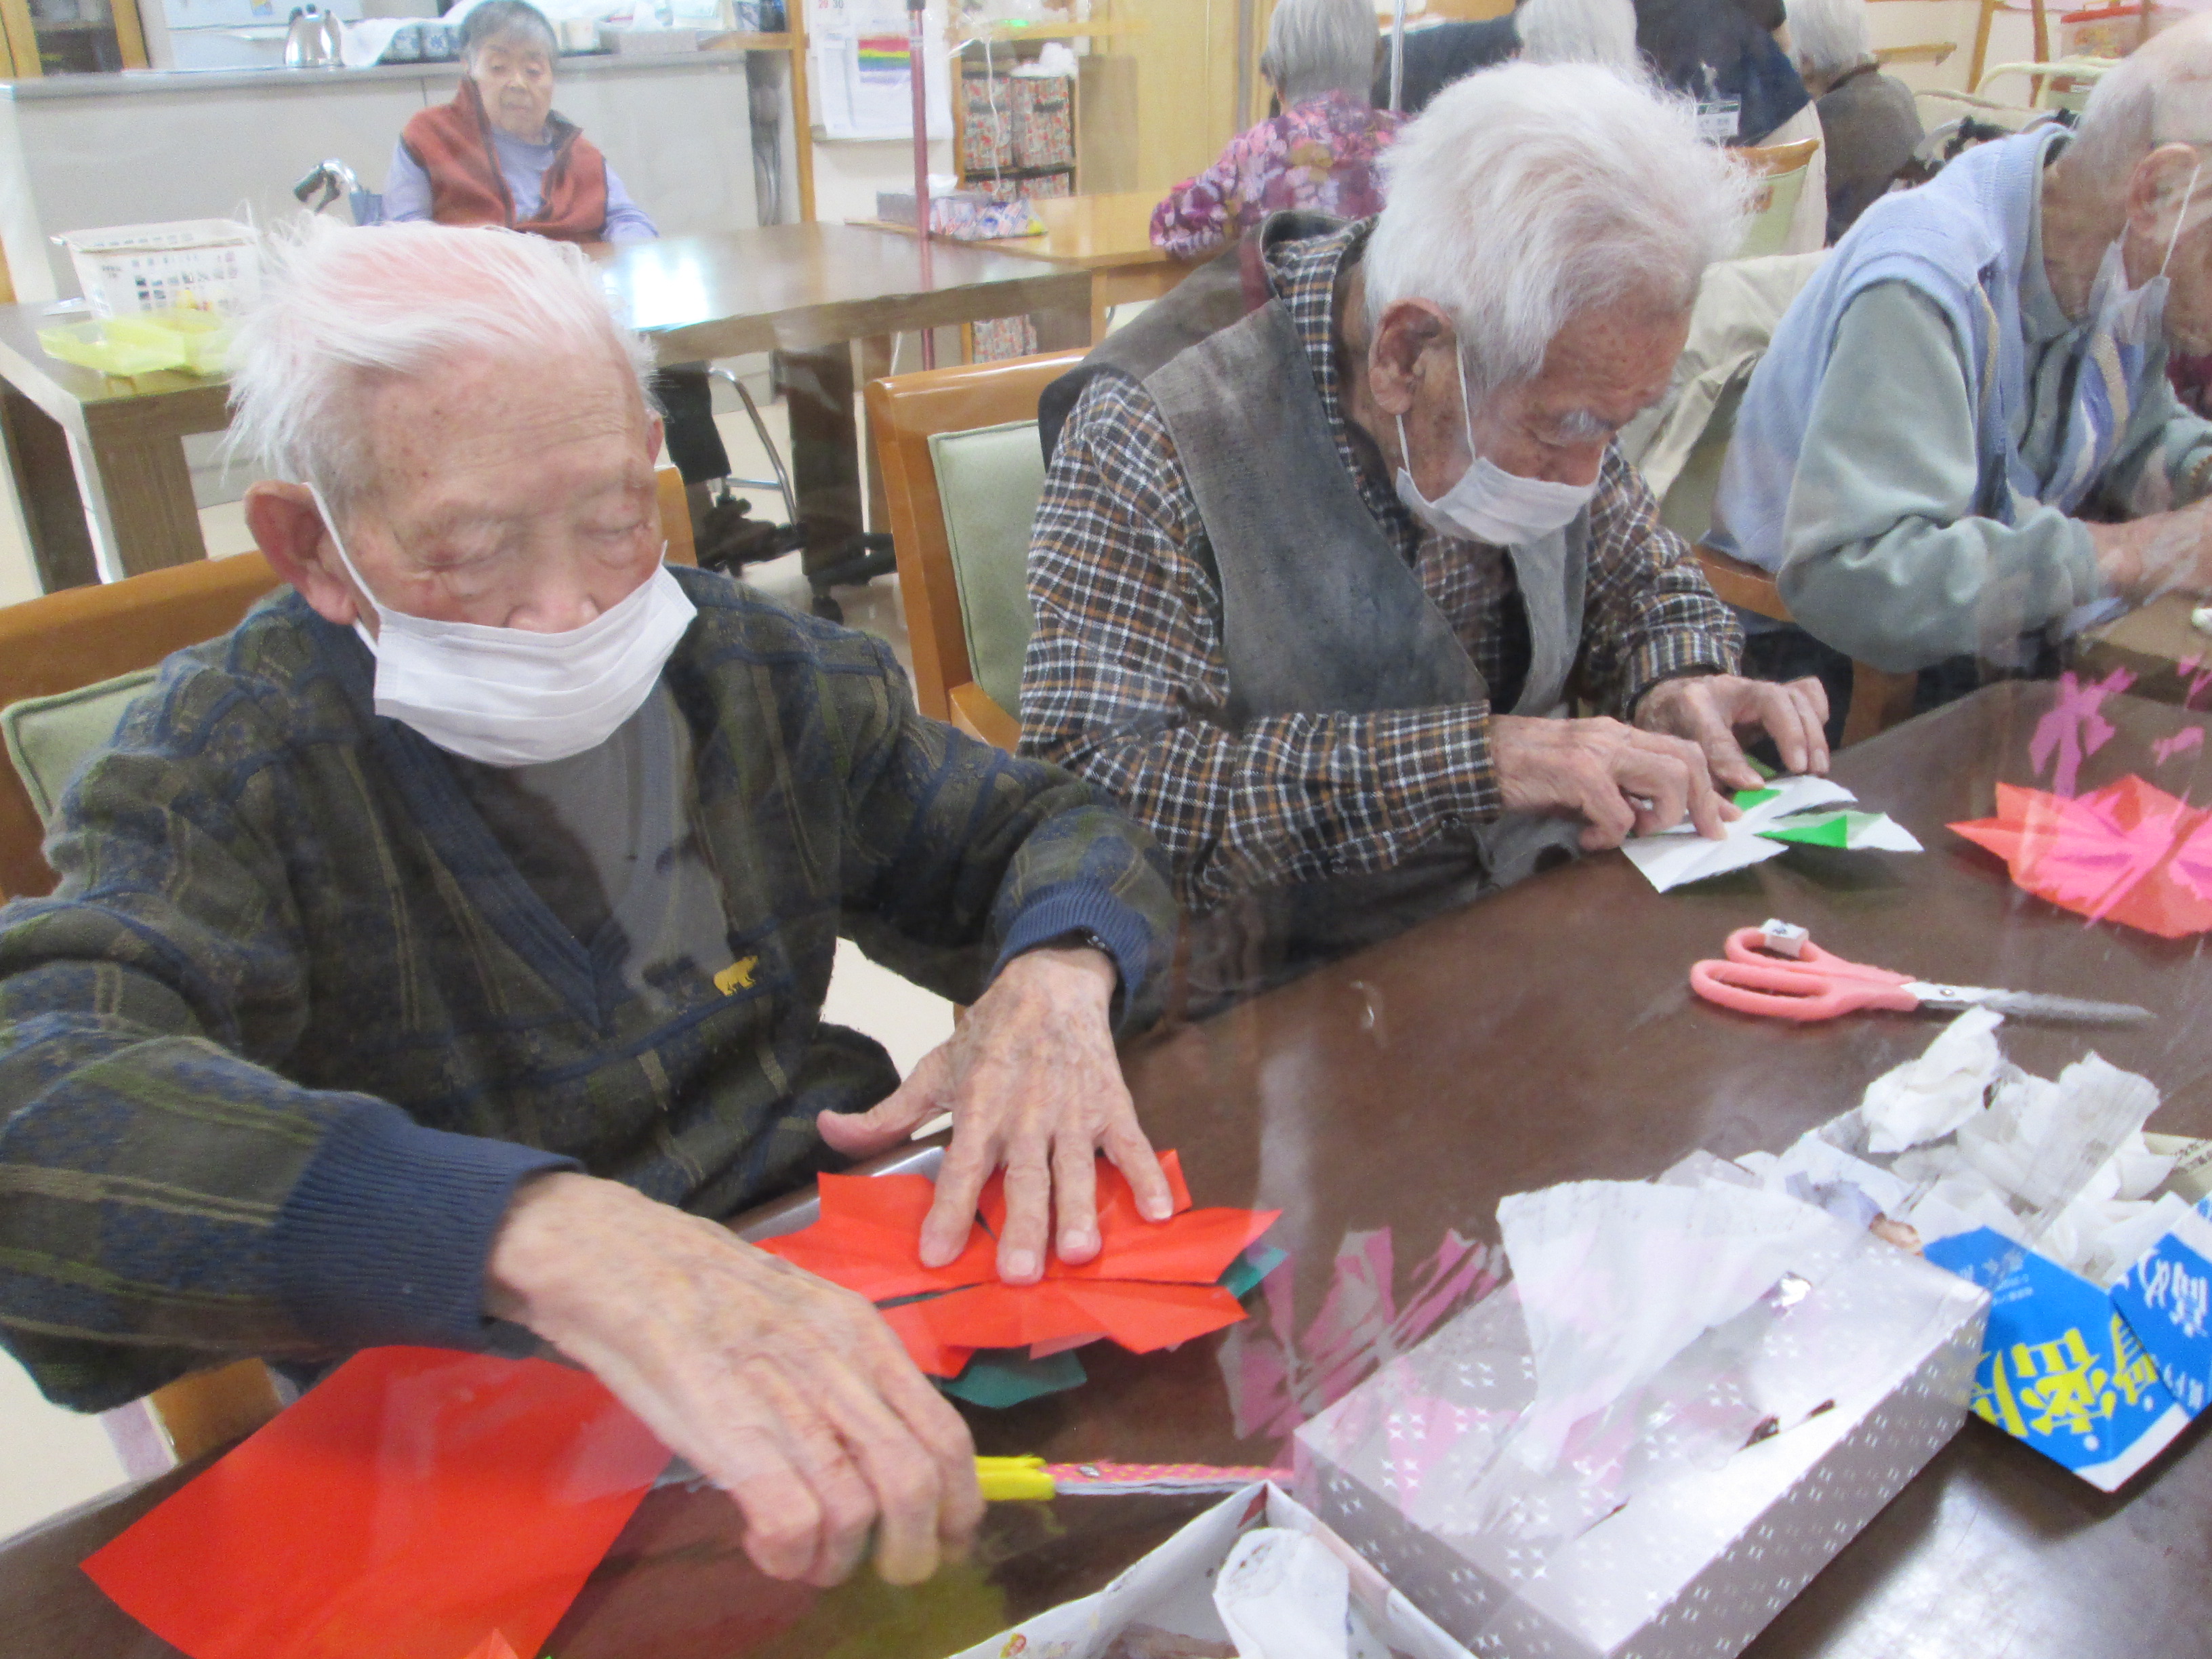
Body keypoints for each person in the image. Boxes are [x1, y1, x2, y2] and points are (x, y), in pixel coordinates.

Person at [0, 222, 1182, 1591]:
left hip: (835, 1295)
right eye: (470, 550)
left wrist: (1058, 974)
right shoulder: (230, 766)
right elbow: (38, 1101)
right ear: (312, 546)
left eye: (616, 522)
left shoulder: (746, 669)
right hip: (473, 1430)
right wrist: (534, 1232)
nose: (567, 612)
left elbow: (1046, 826)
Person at [1023, 64, 1830, 1002]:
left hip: (1533, 928)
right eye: (1566, 429)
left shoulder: (1553, 359)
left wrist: (1676, 682)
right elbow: (1106, 793)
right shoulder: (1158, 427)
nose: (1589, 473)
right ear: (1406, 354)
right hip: (1281, 998)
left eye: (1620, 426)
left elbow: (1644, 582)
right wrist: (1478, 761)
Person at [1708, 17, 2212, 691]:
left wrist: (2197, 472)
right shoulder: (1927, 281)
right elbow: (1861, 580)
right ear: (2157, 192)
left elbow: (2137, 435)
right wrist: (2137, 552)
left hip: (1987, 646)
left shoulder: (2120, 267)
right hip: (1824, 676)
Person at [383, 0, 731, 535]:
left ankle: (701, 513)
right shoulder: (427, 138)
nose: (517, 83)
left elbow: (629, 218)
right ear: (469, 70)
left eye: (533, 68)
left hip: (582, 309)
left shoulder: (578, 151)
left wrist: (617, 260)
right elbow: (405, 234)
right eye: (498, 66)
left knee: (671, 343)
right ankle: (581, 518)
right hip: (487, 323)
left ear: (552, 78)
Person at [1150, 0, 1401, 261]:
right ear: (1375, 62)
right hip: (1385, 289)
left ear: (1277, 74)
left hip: (1290, 289)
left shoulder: (1261, 149)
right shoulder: (1411, 139)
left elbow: (1168, 228)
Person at [1787, 0, 1923, 241]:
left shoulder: (1827, 116)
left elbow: (1794, 212)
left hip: (1851, 250)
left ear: (1806, 60)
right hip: (1905, 239)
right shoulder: (1899, 90)